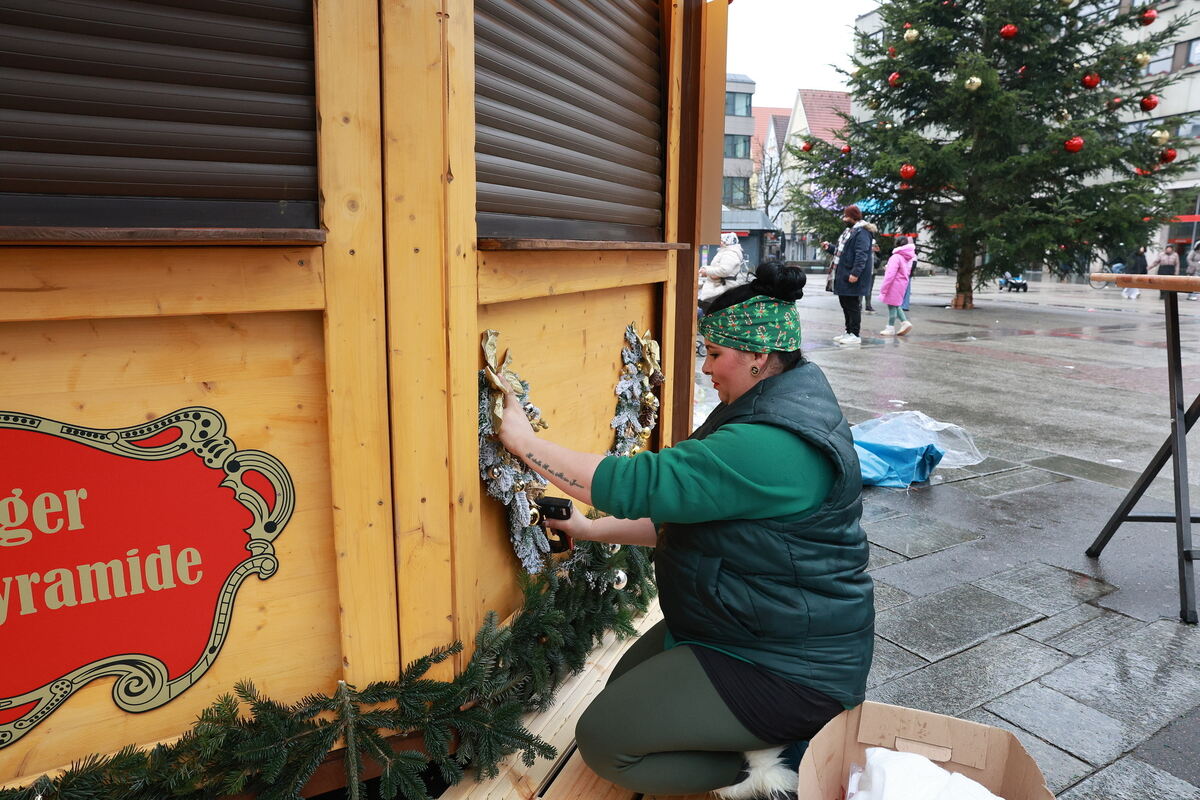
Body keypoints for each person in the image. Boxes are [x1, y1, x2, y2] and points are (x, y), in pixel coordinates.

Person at [495, 264, 873, 800]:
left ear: (759, 359)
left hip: (791, 667)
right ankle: (749, 735)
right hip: (746, 626)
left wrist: (522, 441)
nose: (705, 367)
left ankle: (781, 762)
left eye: (715, 354)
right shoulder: (769, 402)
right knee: (623, 690)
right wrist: (587, 528)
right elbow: (686, 512)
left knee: (604, 741)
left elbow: (636, 484)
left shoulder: (770, 443)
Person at [821, 205, 873, 345]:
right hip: (843, 274)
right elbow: (842, 252)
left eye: (846, 216)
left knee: (852, 305)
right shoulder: (849, 232)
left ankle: (855, 334)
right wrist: (830, 248)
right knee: (845, 304)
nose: (844, 219)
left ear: (853, 217)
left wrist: (855, 273)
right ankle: (848, 331)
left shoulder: (862, 233)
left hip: (852, 276)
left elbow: (861, 255)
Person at [699, 232, 747, 313]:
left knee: (711, 309)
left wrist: (707, 271)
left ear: (727, 242)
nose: (720, 242)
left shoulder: (730, 253)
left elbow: (724, 270)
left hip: (722, 287)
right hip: (718, 285)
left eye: (722, 241)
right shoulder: (726, 251)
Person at [878, 236, 915, 336]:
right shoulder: (905, 257)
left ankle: (890, 327)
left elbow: (890, 274)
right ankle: (905, 322)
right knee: (896, 304)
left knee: (891, 306)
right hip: (901, 284)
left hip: (894, 284)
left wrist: (884, 287)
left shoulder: (895, 257)